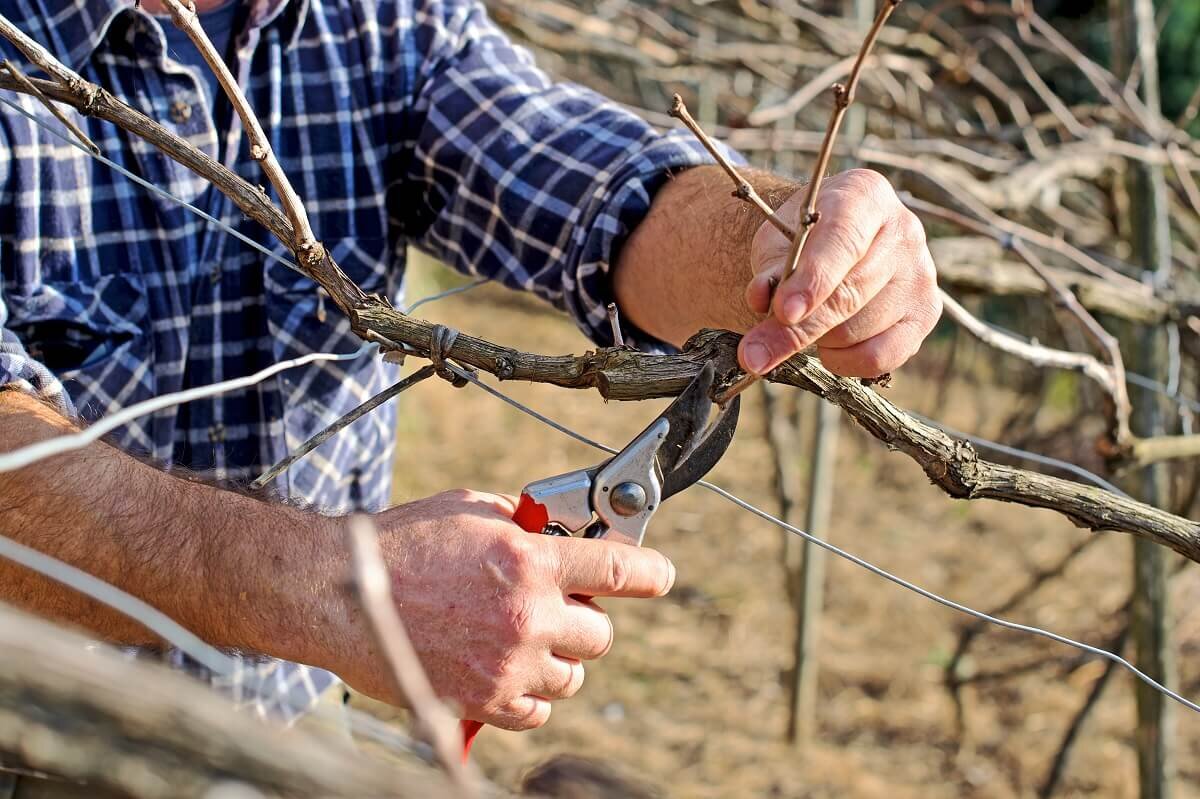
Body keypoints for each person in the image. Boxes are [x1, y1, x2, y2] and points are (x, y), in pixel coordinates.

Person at [0, 0, 940, 776]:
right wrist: (334, 589)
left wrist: (773, 245)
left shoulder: (375, 25)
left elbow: (598, 185)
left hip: (281, 735)